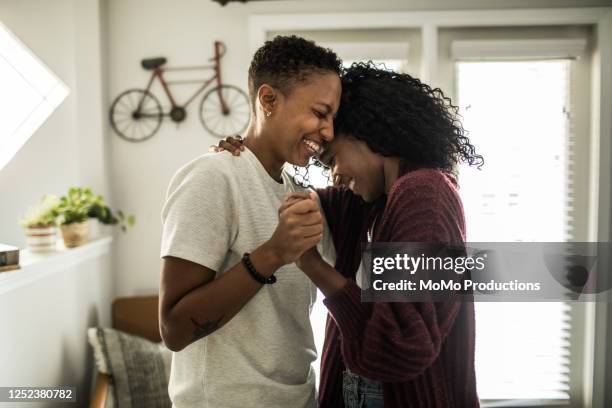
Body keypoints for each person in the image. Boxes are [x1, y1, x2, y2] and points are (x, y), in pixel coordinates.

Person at [215, 61, 483, 407]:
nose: (334, 176)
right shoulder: (366, 204)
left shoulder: (424, 195)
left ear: (368, 132)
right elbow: (288, 198)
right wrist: (245, 156)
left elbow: (399, 347)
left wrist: (314, 267)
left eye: (332, 160)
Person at [158, 35, 341, 408]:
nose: (329, 131)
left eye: (333, 118)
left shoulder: (299, 194)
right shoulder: (213, 177)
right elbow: (174, 330)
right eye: (321, 113)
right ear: (268, 99)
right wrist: (273, 253)